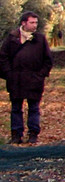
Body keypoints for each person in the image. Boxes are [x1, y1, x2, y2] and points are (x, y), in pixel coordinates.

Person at [2, 11, 53, 144]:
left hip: (34, 79)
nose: (35, 25)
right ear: (24, 23)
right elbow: (3, 57)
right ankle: (16, 135)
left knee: (34, 107)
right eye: (32, 22)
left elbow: (48, 60)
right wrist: (9, 74)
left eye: (36, 22)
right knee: (16, 108)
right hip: (16, 80)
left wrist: (40, 75)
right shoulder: (12, 38)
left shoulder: (40, 39)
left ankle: (33, 134)